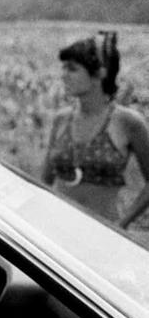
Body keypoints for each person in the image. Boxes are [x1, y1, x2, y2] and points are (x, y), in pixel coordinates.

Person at [41, 32, 149, 228]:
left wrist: (122, 224)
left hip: (102, 232)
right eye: (63, 68)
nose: (63, 75)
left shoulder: (128, 122)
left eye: (72, 69)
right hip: (54, 227)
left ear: (99, 74)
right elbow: (45, 180)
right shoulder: (62, 119)